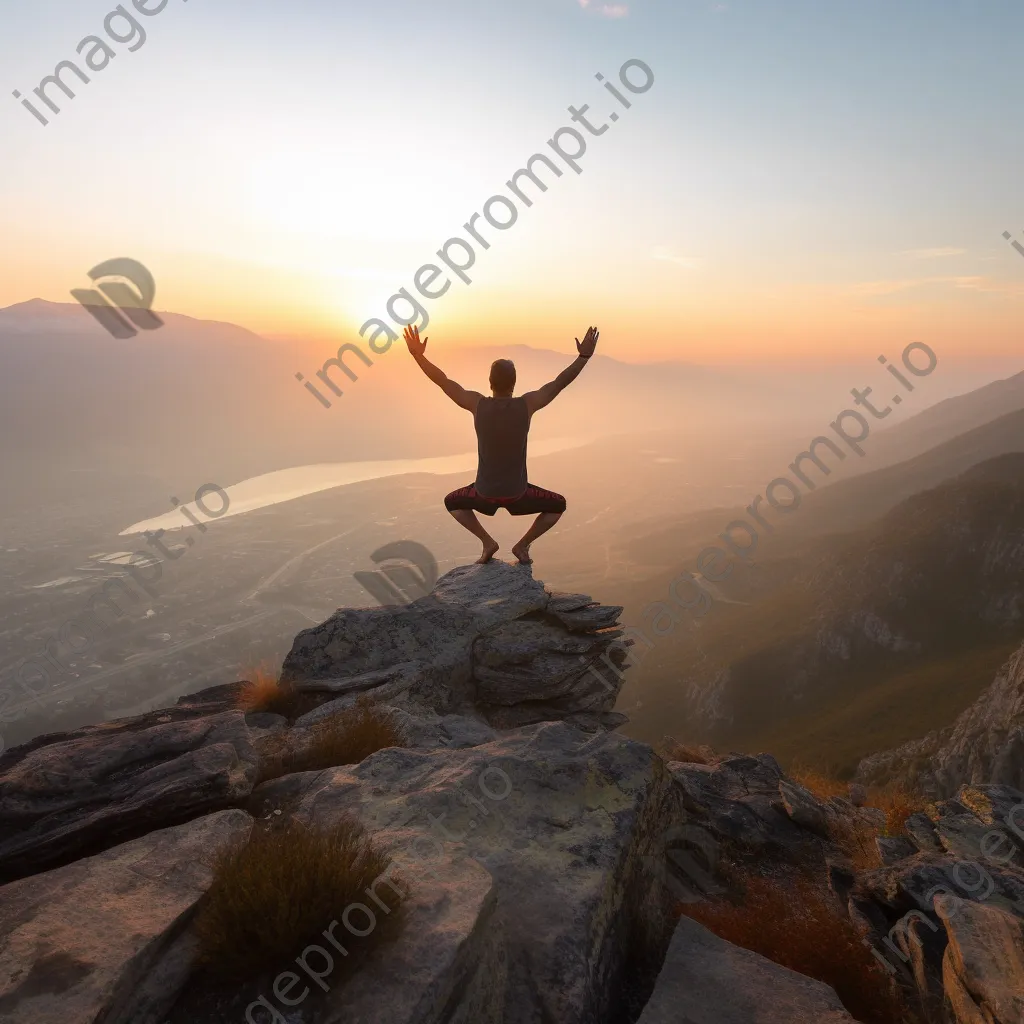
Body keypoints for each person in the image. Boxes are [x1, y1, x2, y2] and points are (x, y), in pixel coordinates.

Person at [403, 323, 599, 564]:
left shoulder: (476, 404)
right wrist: (584, 356)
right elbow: (559, 382)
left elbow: (442, 381)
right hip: (519, 493)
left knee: (452, 501)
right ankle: (523, 545)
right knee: (557, 505)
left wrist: (418, 356)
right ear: (514, 382)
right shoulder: (527, 405)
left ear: (490, 381)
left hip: (483, 493)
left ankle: (487, 542)